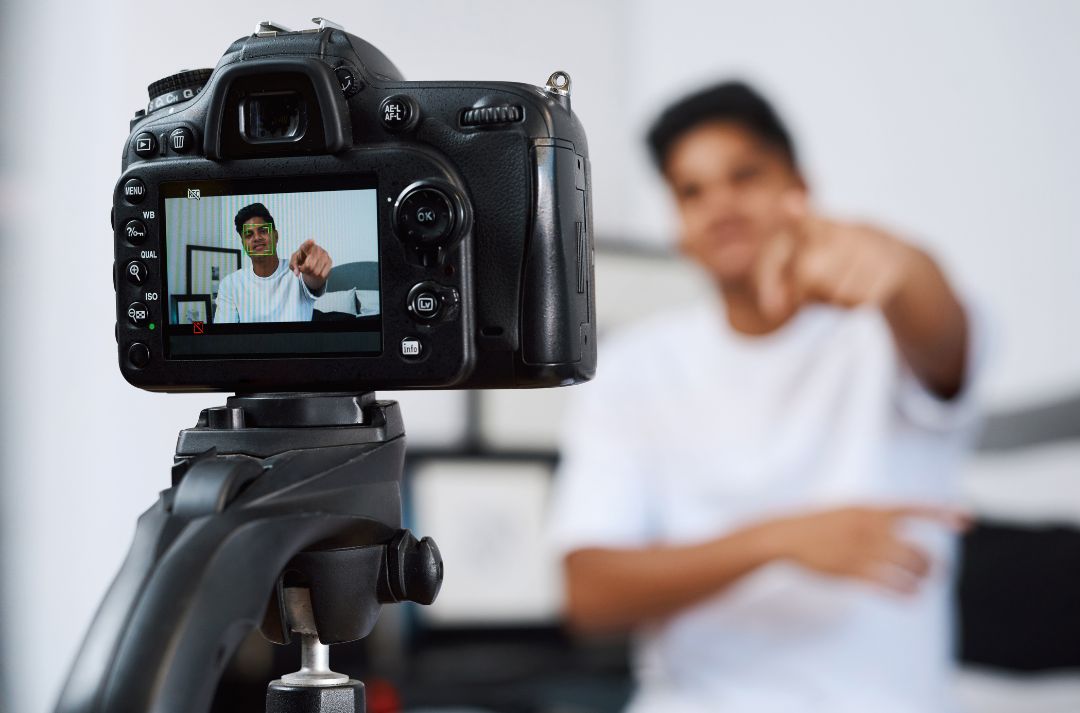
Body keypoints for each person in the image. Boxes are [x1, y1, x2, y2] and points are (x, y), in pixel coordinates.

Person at [549, 82, 984, 713]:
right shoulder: (633, 368)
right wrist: (778, 541)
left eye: (744, 175)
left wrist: (898, 260)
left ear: (797, 188)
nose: (720, 204)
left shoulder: (885, 333)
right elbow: (588, 594)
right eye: (691, 191)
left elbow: (942, 332)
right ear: (680, 229)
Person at [213, 202, 333, 323]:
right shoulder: (230, 284)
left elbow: (313, 280)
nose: (256, 238)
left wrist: (313, 268)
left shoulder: (297, 271)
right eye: (249, 235)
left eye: (263, 231)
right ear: (243, 244)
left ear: (276, 236)